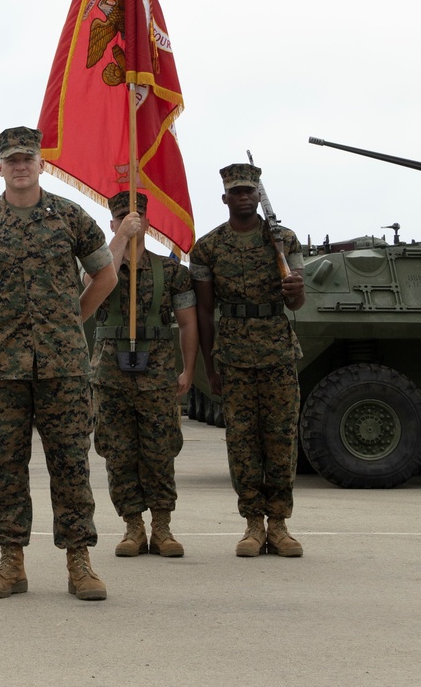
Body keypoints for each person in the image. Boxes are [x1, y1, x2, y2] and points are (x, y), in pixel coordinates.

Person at [0, 126, 118, 601]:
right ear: (0, 167)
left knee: (70, 464)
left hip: (62, 366)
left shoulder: (71, 217)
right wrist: (0, 321)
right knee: (6, 465)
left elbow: (105, 275)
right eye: (12, 159)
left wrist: (72, 317)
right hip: (2, 369)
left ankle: (79, 561)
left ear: (41, 163)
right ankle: (10, 562)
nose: (20, 166)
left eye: (28, 158)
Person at [190, 162, 306, 557]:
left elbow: (298, 302)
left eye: (249, 191)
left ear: (259, 196)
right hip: (235, 356)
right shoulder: (207, 247)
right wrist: (210, 367)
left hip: (277, 350)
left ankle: (279, 524)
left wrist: (293, 289)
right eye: (236, 191)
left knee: (281, 439)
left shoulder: (283, 240)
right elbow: (205, 313)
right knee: (241, 442)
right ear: (225, 197)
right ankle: (253, 525)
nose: (243, 196)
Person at [91, 190, 198, 557]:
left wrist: (188, 368)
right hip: (111, 376)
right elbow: (93, 289)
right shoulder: (100, 266)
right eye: (121, 219)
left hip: (157, 375)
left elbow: (187, 323)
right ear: (113, 223)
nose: (130, 223)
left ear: (149, 223)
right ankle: (132, 527)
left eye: (135, 219)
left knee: (160, 450)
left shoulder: (171, 272)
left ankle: (162, 527)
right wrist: (120, 240)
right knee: (119, 453)